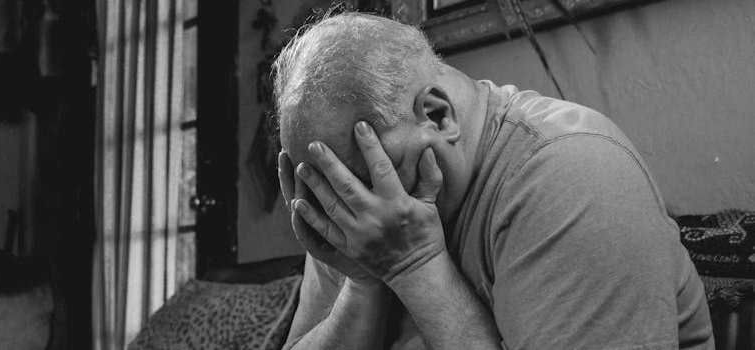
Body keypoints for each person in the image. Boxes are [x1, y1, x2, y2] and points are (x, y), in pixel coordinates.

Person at [274, 12, 713, 350]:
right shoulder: (353, 194)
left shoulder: (571, 173)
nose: (360, 214)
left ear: (436, 115)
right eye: (333, 191)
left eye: (366, 181)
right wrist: (365, 277)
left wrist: (414, 266)